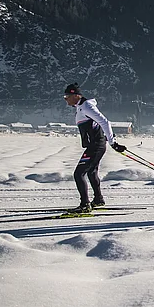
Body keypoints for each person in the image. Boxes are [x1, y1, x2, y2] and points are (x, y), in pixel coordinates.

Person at [63, 83, 126, 213]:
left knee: (78, 174)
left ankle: (85, 205)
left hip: (96, 146)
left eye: (67, 96)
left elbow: (105, 122)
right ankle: (98, 200)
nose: (65, 99)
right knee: (91, 172)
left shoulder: (86, 106)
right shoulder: (81, 106)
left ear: (76, 95)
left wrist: (113, 142)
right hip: (95, 145)